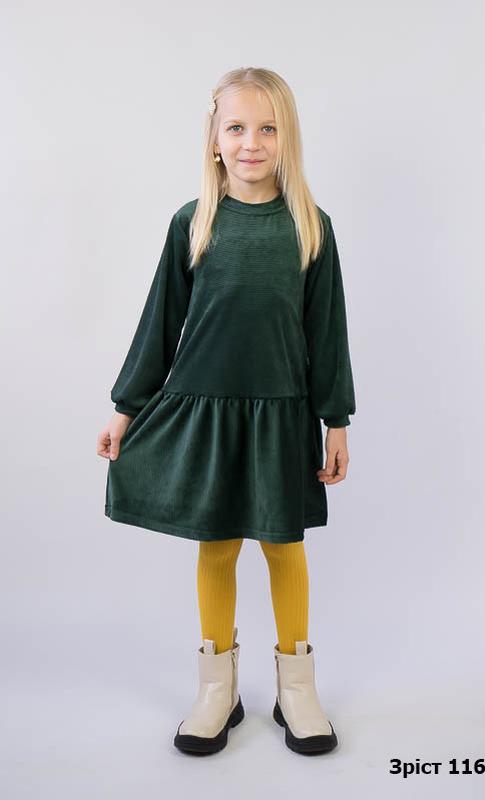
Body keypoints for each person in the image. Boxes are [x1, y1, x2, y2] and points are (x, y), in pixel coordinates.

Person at [96, 66, 356, 756]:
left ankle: (297, 689)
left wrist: (336, 420)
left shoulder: (310, 226)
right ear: (214, 138)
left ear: (287, 138)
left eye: (268, 128)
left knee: (284, 545)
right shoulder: (194, 221)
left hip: (281, 414)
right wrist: (126, 408)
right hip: (207, 413)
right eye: (236, 128)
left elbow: (328, 332)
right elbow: (159, 323)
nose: (251, 143)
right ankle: (218, 689)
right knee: (216, 544)